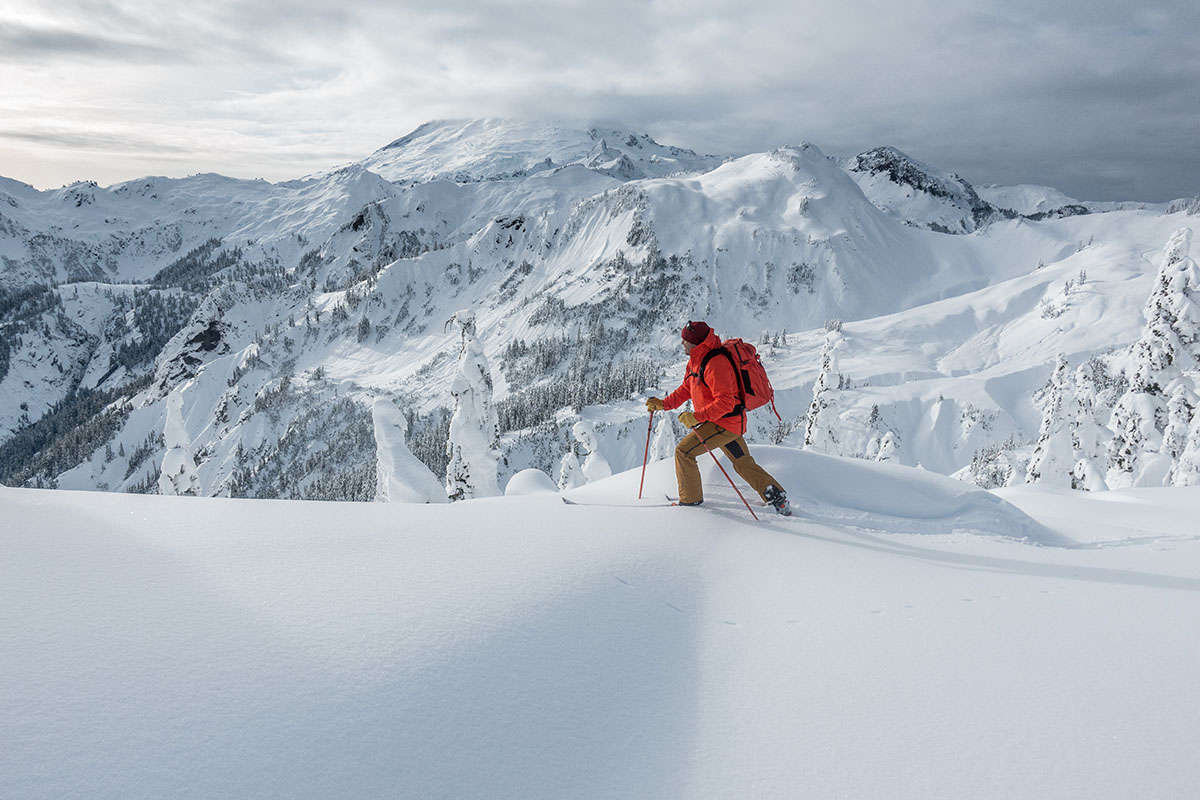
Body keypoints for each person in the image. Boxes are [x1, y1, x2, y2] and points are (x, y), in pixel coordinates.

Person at [646, 320, 792, 515]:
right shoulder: (696, 360)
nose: (682, 344)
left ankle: (690, 502)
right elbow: (686, 389)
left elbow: (726, 402)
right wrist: (664, 404)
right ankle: (777, 497)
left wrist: (696, 417)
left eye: (685, 340)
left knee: (684, 452)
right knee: (742, 462)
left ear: (695, 343)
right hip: (726, 423)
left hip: (723, 424)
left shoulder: (715, 363)